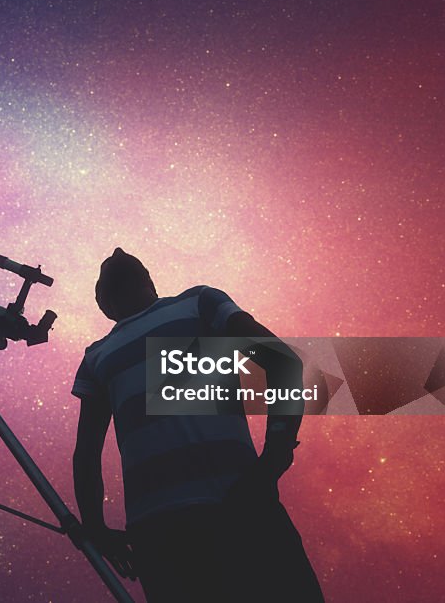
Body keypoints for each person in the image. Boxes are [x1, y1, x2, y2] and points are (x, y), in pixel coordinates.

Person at [72, 248, 324, 602]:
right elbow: (85, 453)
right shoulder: (95, 355)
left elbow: (281, 361)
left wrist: (274, 459)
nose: (116, 251)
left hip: (238, 509)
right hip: (161, 536)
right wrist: (94, 528)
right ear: (105, 305)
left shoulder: (198, 302)